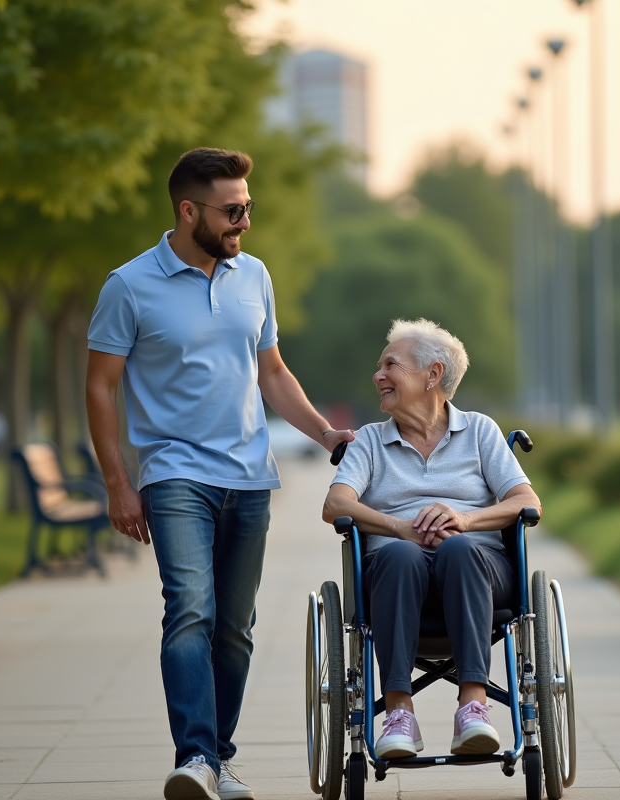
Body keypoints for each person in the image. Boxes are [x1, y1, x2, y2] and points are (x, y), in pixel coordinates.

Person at [86, 147, 354, 800]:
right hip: (174, 473)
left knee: (235, 627)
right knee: (190, 609)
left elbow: (272, 372)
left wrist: (324, 434)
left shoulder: (253, 275)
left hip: (250, 477)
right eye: (233, 211)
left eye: (248, 208)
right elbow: (100, 386)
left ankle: (219, 758)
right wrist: (119, 484)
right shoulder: (129, 285)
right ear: (188, 211)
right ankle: (196, 756)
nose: (245, 222)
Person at [321, 319, 542, 760]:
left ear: (432, 375)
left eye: (390, 365)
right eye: (379, 367)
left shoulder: (479, 431)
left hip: (477, 571)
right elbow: (335, 504)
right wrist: (399, 527)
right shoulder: (369, 441)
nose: (378, 376)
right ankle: (398, 714)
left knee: (459, 548)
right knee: (401, 555)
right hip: (395, 575)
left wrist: (465, 519)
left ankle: (473, 707)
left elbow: (526, 501)